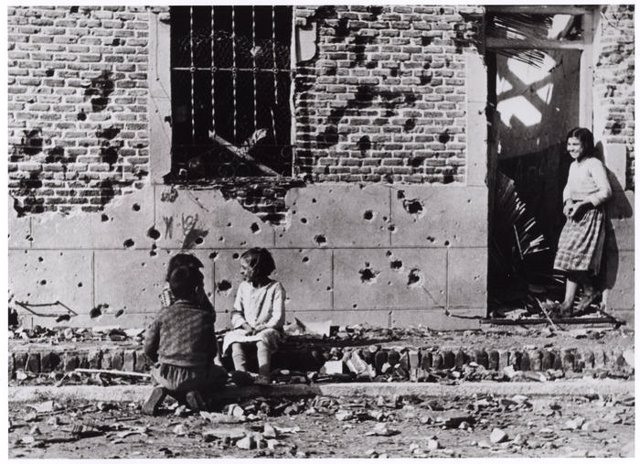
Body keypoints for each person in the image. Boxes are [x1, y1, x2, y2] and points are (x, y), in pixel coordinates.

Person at [142, 265, 227, 415]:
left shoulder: (163, 314)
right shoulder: (204, 316)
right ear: (196, 290)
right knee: (221, 375)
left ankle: (163, 389)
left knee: (155, 373)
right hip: (195, 376)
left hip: (165, 373)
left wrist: (158, 362)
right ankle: (192, 393)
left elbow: (148, 347)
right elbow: (212, 352)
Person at [551, 127, 612, 316]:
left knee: (575, 257)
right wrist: (568, 202)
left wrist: (584, 204)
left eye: (576, 144)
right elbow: (568, 188)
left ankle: (585, 292)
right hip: (575, 214)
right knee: (567, 255)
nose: (571, 148)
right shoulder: (574, 166)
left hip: (589, 214)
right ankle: (571, 301)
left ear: (585, 145)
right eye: (569, 144)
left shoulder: (594, 164)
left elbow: (606, 191)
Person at [222, 248, 285, 383]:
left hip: (268, 329)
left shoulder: (275, 287)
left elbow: (278, 317)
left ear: (257, 269)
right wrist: (245, 325)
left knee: (263, 338)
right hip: (247, 329)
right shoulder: (244, 287)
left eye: (244, 268)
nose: (241, 271)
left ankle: (263, 375)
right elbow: (236, 312)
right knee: (233, 338)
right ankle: (242, 374)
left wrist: (263, 327)